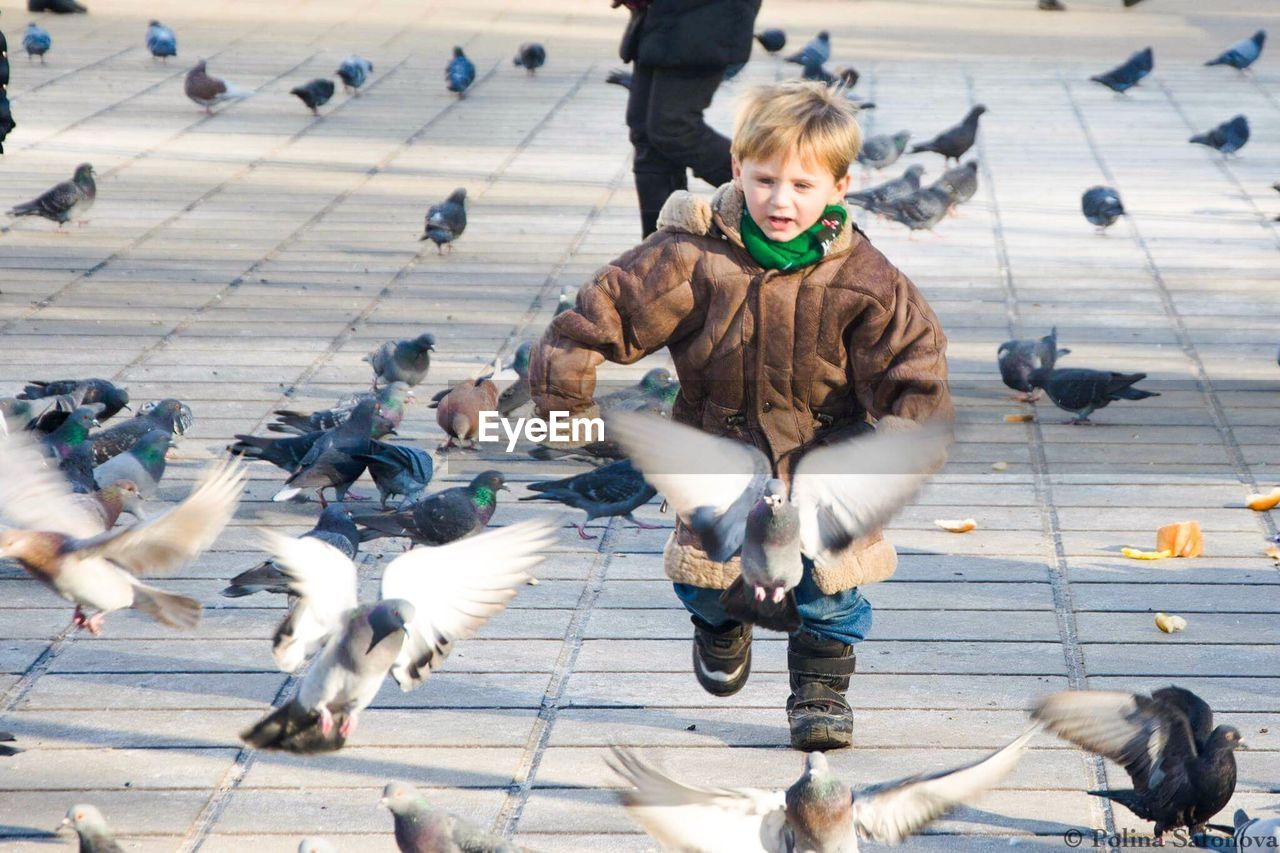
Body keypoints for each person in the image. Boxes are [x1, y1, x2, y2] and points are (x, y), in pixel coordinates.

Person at [530, 81, 953, 751]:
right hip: (718, 464)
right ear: (736, 169)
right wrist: (566, 409)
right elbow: (594, 319)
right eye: (765, 179)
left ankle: (820, 687)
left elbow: (916, 365)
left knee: (829, 587)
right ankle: (721, 625)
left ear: (840, 187)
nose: (781, 200)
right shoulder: (693, 257)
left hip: (826, 467)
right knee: (706, 579)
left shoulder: (865, 279)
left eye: (803, 185)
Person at [615, 0, 760, 238]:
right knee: (646, 133)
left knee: (672, 128)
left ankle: (777, 189)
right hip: (659, 19)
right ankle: (659, 251)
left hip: (705, 19)